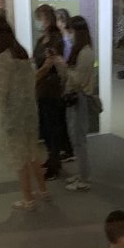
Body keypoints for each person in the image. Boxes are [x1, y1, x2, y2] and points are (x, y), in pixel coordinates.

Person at [0, 15, 47, 210]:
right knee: (32, 153)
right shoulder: (21, 53)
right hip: (30, 112)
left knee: (19, 157)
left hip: (14, 115)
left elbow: (1, 91)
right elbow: (29, 82)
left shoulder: (3, 58)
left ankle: (28, 200)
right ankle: (43, 190)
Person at [32, 3, 67, 181]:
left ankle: (55, 164)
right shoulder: (41, 41)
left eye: (41, 18)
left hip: (52, 87)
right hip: (41, 87)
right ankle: (50, 158)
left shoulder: (56, 39)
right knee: (45, 127)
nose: (39, 22)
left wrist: (35, 77)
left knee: (53, 127)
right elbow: (35, 60)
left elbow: (49, 64)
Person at [64, 15, 96, 192]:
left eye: (71, 31)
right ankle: (82, 173)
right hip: (74, 98)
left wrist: (65, 68)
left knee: (79, 140)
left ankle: (85, 178)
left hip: (80, 98)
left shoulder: (85, 53)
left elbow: (78, 80)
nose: (69, 34)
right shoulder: (81, 51)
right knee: (75, 138)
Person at [54, 8, 75, 161]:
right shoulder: (62, 38)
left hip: (65, 81)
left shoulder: (66, 40)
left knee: (63, 117)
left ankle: (68, 149)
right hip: (61, 80)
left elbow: (66, 63)